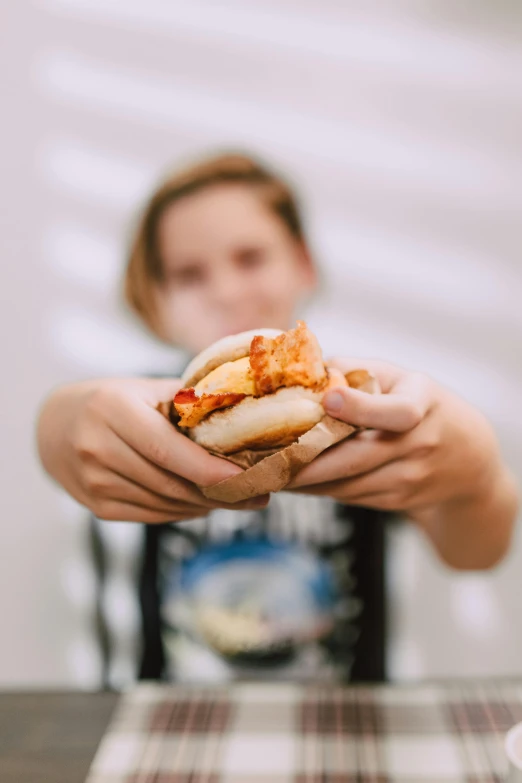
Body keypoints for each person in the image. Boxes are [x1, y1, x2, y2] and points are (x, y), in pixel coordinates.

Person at [37, 153, 518, 684]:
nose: (226, 291)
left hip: (342, 725)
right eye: (188, 274)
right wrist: (59, 420)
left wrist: (476, 470)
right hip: (171, 727)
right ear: (153, 299)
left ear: (302, 264)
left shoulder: (364, 411)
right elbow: (68, 428)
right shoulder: (131, 423)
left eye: (251, 258)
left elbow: (475, 553)